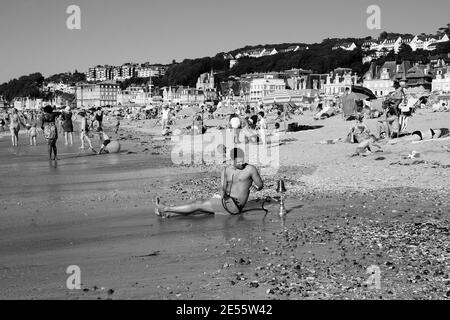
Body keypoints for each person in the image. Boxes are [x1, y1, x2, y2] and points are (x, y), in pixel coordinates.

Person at [154, 148, 264, 218]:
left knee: (198, 204)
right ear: (232, 160)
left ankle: (166, 208)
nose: (242, 163)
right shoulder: (226, 170)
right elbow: (222, 187)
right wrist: (222, 192)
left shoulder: (250, 169)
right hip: (226, 201)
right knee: (199, 207)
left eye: (243, 160)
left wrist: (255, 187)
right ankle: (168, 215)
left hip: (234, 206)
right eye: (238, 161)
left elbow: (260, 185)